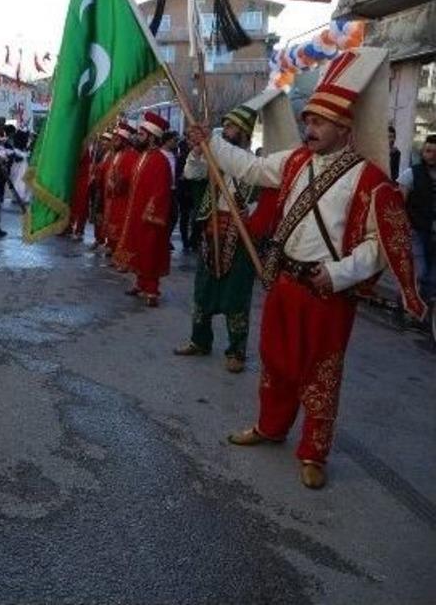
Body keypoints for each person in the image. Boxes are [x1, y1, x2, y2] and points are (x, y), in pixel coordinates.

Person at [191, 47, 424, 490]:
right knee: (276, 362)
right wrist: (212, 142)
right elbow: (253, 167)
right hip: (285, 281)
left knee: (321, 373)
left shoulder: (370, 180)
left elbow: (380, 246)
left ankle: (314, 452)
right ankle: (270, 426)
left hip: (327, 292)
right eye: (307, 120)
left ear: (345, 128)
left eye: (318, 122)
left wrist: (339, 274)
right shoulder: (295, 160)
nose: (308, 128)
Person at [174, 95, 283, 372]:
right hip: (213, 231)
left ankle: (236, 351)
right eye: (226, 127)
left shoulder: (254, 165)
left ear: (245, 133)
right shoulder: (215, 159)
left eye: (232, 128)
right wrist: (198, 153)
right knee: (203, 290)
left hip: (242, 236)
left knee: (236, 295)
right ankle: (200, 340)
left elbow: (269, 199)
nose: (227, 132)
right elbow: (192, 174)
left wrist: (254, 211)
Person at [113, 112, 173, 307]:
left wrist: (151, 211)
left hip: (150, 216)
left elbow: (162, 190)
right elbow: (133, 183)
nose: (137, 137)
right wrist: (120, 181)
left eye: (141, 134)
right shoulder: (142, 157)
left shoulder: (161, 160)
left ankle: (152, 290)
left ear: (152, 137)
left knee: (150, 251)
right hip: (135, 213)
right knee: (138, 249)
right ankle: (140, 283)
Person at [398, 133, 436, 301]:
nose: (432, 155)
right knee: (418, 272)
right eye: (428, 151)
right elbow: (399, 204)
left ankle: (422, 314)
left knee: (432, 279)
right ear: (423, 152)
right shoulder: (411, 174)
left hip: (434, 234)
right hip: (415, 230)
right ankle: (404, 304)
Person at [104, 121, 139, 262]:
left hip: (123, 198)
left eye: (117, 140)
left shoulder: (132, 155)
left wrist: (118, 181)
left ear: (124, 141)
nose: (114, 142)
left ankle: (120, 254)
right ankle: (112, 249)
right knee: (112, 225)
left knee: (121, 227)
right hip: (112, 197)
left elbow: (130, 178)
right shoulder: (115, 154)